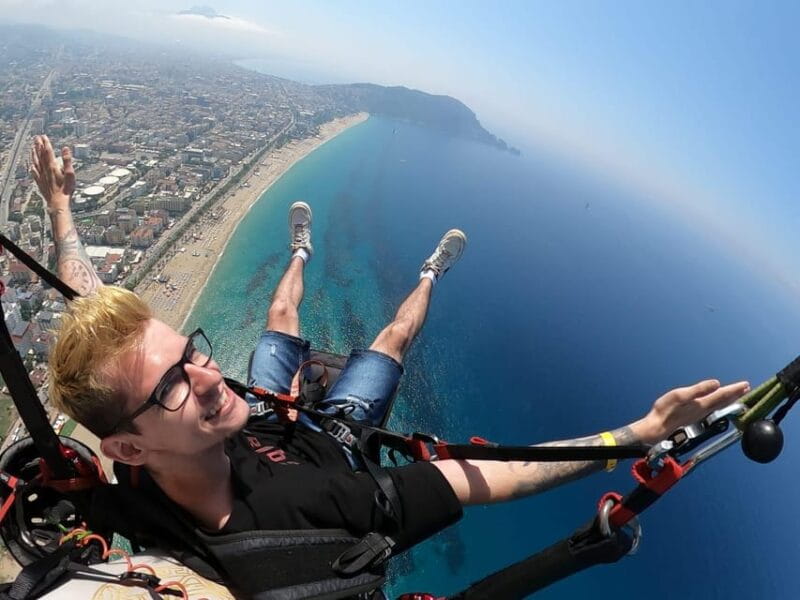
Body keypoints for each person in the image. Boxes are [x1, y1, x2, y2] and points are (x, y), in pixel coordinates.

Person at [30, 134, 751, 556]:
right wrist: (636, 436)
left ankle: (305, 255)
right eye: (175, 385)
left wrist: (61, 208)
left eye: (192, 350)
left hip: (278, 413)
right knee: (395, 338)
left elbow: (89, 300)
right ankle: (429, 275)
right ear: (126, 447)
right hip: (340, 439)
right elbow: (484, 477)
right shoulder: (316, 508)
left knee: (281, 310)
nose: (208, 373)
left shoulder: (139, 465)